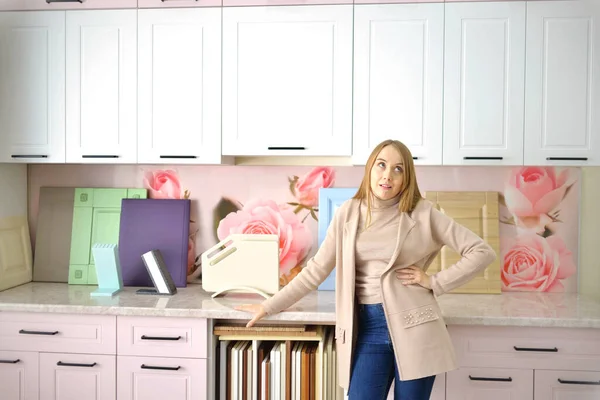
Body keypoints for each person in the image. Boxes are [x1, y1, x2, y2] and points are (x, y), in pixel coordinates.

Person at [235, 139, 496, 400]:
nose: (387, 175)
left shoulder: (424, 213)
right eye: (381, 165)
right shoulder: (348, 213)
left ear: (407, 177)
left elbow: (482, 252)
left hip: (416, 326)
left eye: (398, 169)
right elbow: (316, 270)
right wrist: (269, 305)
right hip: (368, 328)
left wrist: (434, 282)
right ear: (370, 168)